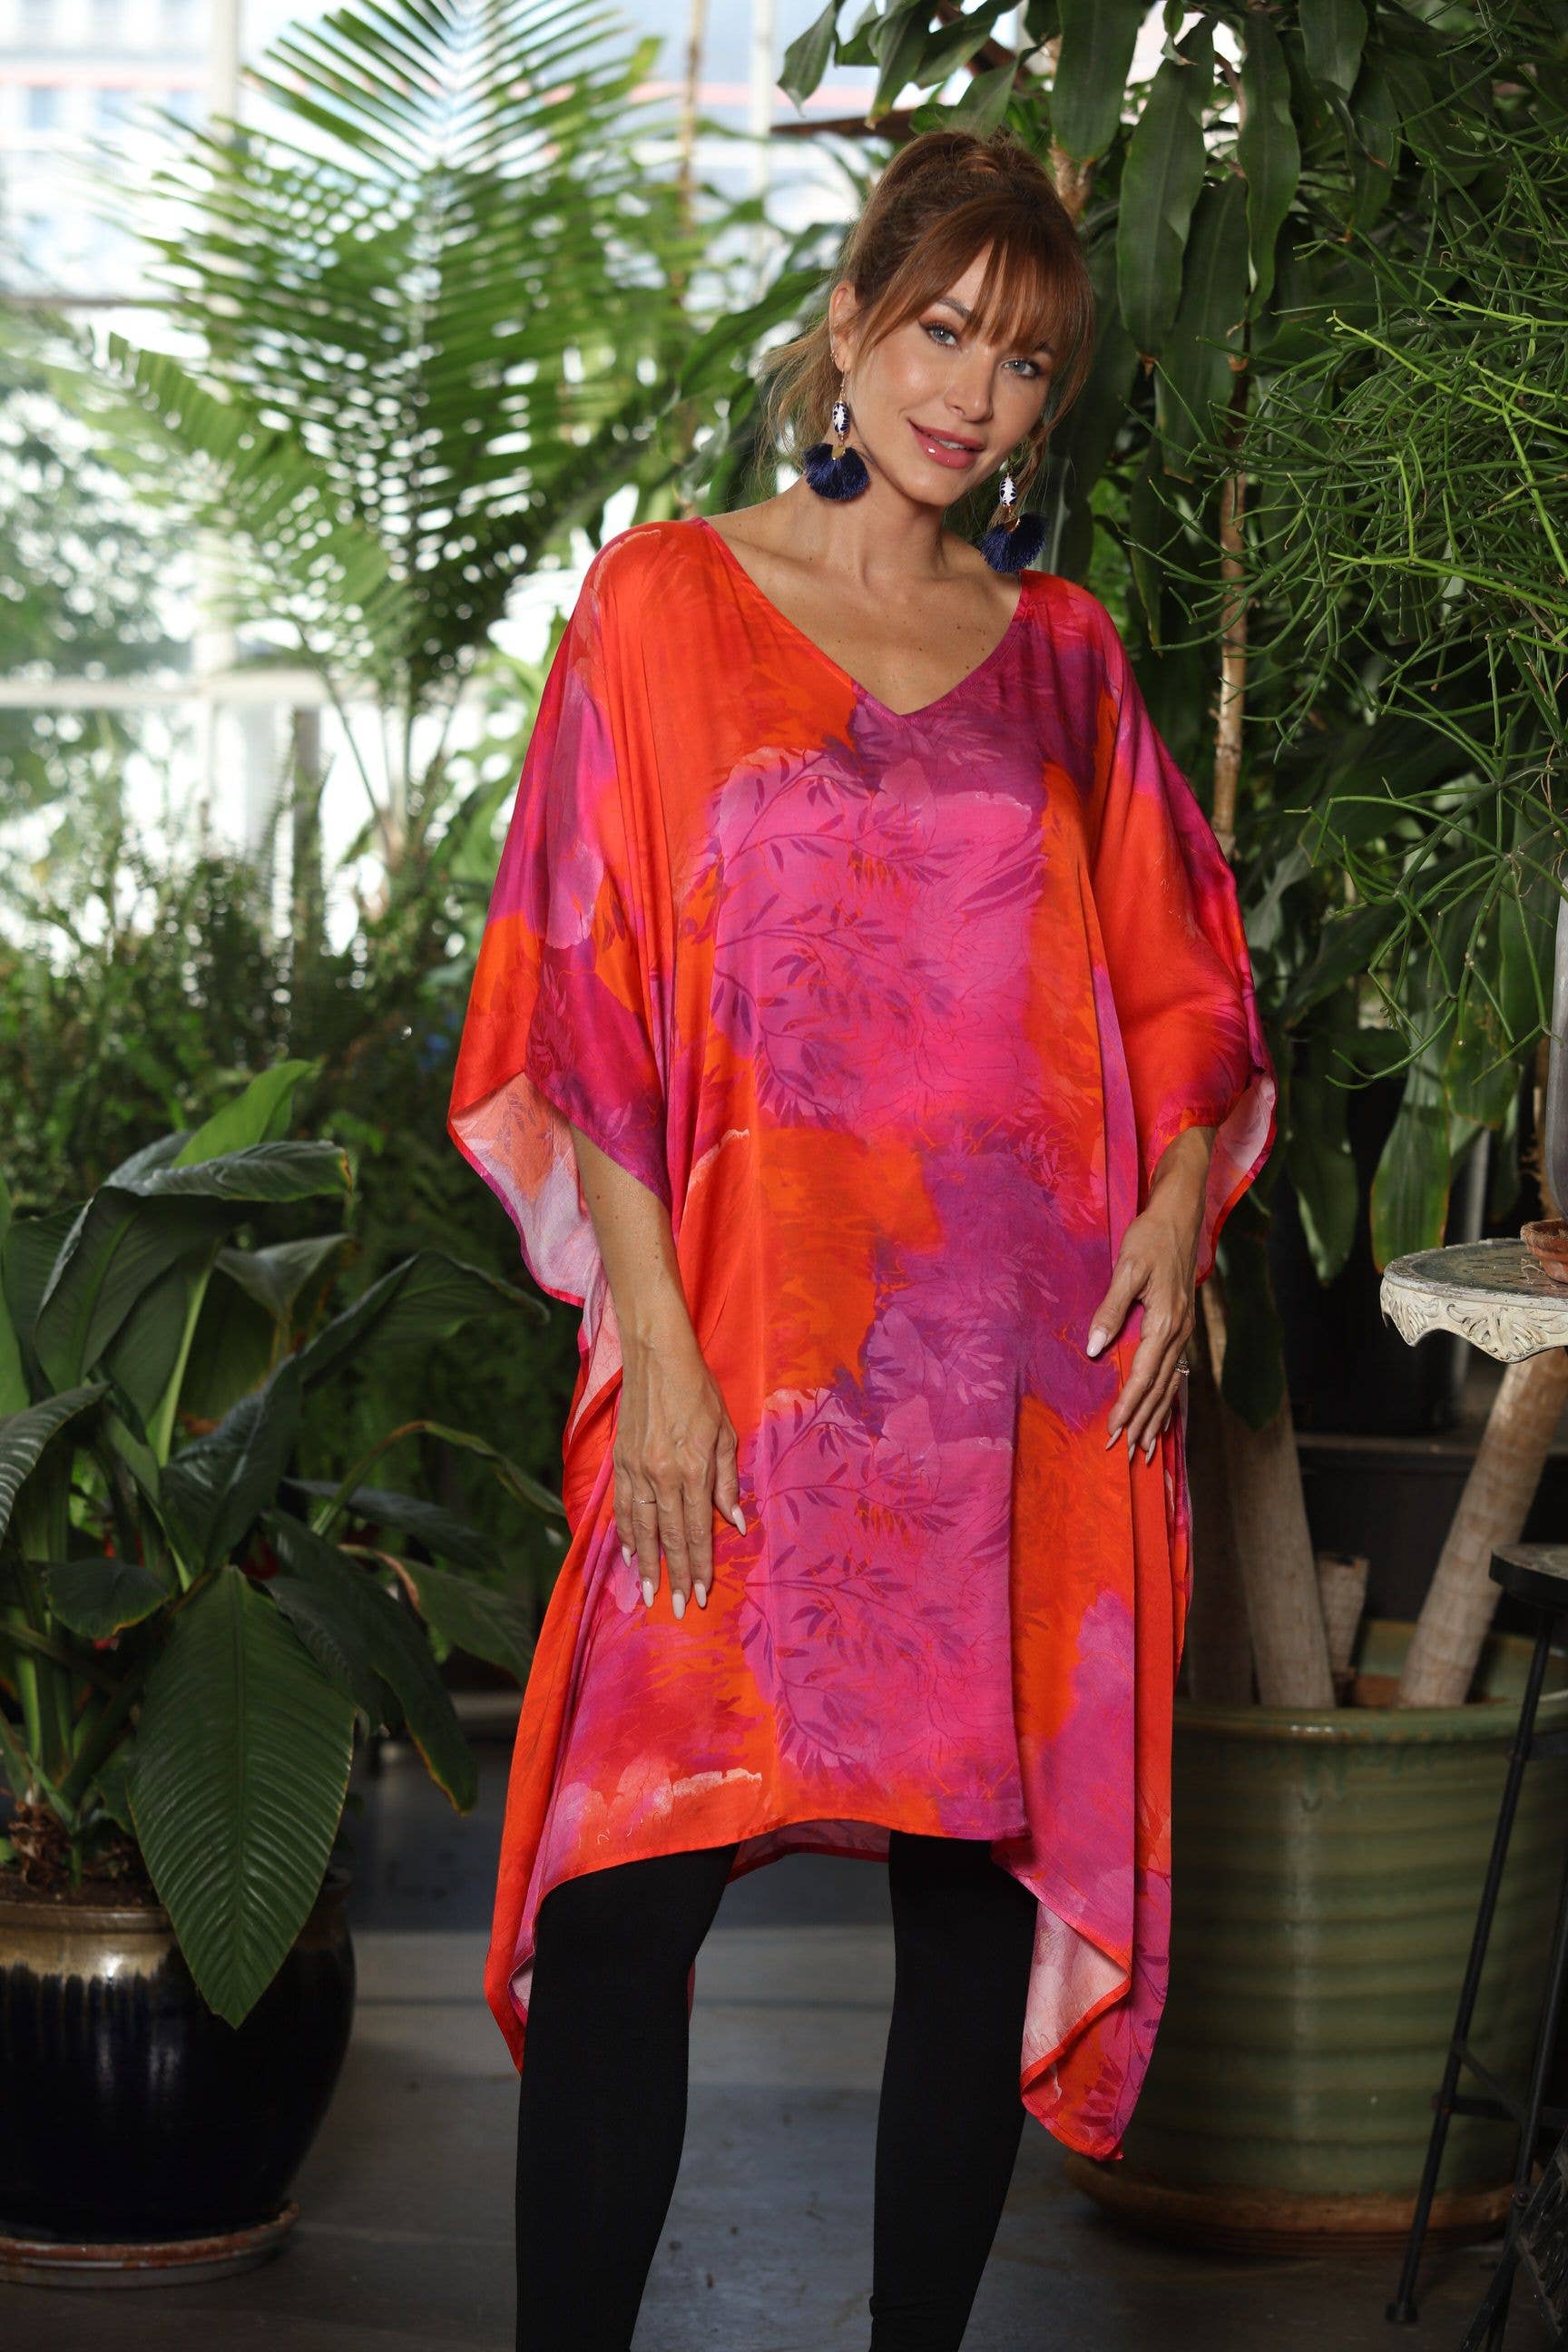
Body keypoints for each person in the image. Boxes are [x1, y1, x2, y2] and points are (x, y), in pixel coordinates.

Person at [447, 127, 1278, 2352]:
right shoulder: (658, 606)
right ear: (848, 322)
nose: (972, 397)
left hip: (1016, 1376)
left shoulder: (1064, 657)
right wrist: (658, 1345)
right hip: (739, 1347)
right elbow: (592, 997)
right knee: (625, 1900)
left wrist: (1175, 1214)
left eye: (1023, 363)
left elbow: (1184, 985)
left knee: (961, 1904)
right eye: (940, 332)